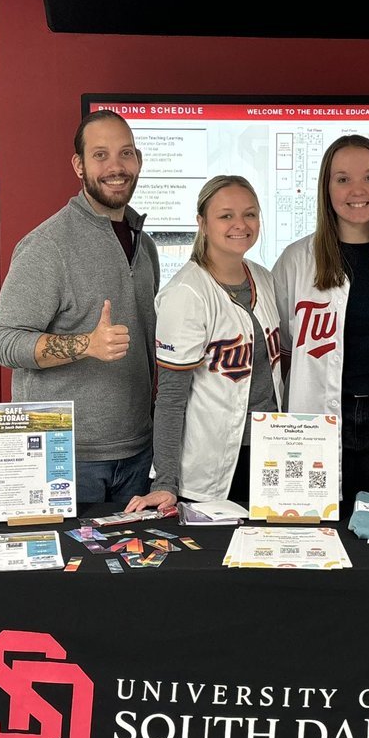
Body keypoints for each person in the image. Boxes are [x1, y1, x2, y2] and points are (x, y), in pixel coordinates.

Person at [0, 109, 160, 509]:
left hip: (137, 453)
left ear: (138, 161)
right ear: (79, 166)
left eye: (126, 153)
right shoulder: (48, 246)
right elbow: (3, 342)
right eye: (100, 155)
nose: (116, 167)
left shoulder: (145, 245)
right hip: (63, 457)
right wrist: (86, 344)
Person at [272, 134, 369, 512]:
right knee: (314, 529)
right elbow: (283, 345)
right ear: (326, 189)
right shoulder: (296, 259)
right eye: (342, 179)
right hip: (317, 420)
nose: (357, 190)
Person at [125, 176, 282, 513]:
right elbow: (170, 398)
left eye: (250, 214)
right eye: (226, 216)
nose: (240, 224)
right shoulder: (187, 292)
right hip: (211, 465)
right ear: (203, 223)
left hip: (269, 451)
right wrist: (165, 481)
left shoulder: (264, 278)